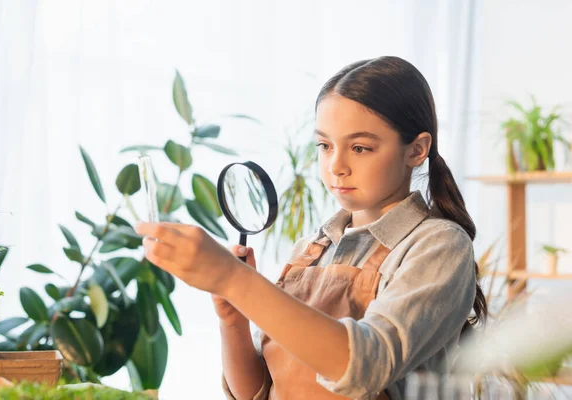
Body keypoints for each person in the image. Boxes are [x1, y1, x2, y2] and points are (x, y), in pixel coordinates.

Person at [136, 56, 487, 400]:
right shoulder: (311, 249)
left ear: (417, 149)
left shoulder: (438, 246)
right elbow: (257, 391)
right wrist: (233, 322)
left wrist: (235, 279)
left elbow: (366, 366)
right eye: (324, 145)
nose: (336, 165)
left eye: (360, 147)